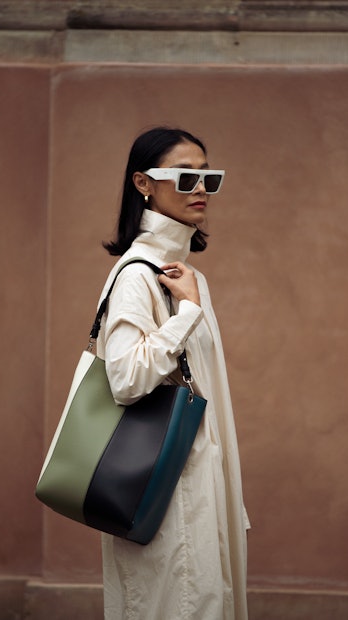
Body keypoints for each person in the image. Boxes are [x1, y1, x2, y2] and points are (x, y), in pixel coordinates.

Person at [96, 127, 250, 620]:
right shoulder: (140, 274)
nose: (201, 188)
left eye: (209, 177)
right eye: (186, 177)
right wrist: (185, 316)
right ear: (144, 183)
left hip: (196, 486)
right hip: (165, 494)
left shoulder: (184, 274)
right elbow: (125, 379)